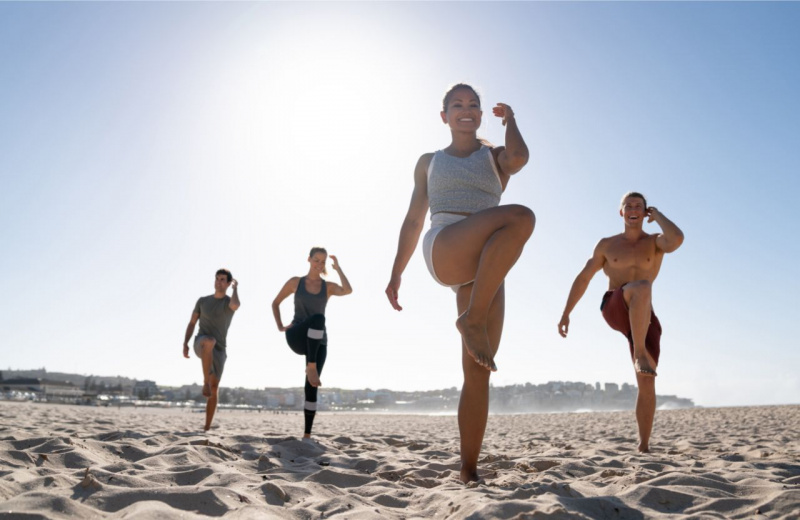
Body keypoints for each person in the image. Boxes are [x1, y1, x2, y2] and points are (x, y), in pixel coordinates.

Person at [386, 83, 533, 483]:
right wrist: (397, 271)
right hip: (446, 246)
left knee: (478, 371)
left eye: (473, 105)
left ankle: (468, 469)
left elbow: (519, 156)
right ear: (445, 116)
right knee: (521, 217)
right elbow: (415, 219)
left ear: (482, 115)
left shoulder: (494, 158)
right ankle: (471, 321)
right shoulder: (429, 162)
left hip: (485, 266)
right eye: (457, 105)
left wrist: (513, 120)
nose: (465, 110)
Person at [558, 192, 684, 452]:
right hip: (614, 305)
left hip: (642, 314)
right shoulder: (607, 245)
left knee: (646, 380)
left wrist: (657, 215)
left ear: (645, 212)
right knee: (640, 286)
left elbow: (677, 239)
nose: (633, 209)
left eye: (639, 206)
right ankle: (639, 353)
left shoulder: (655, 243)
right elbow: (584, 277)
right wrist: (566, 312)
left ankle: (644, 445)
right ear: (621, 213)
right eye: (629, 206)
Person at [272, 248, 352, 439]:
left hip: (318, 343)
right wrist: (280, 325)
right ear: (309, 259)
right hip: (297, 335)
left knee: (311, 387)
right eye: (316, 260)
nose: (319, 264)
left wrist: (338, 269)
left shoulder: (328, 287)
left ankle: (307, 434)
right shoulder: (295, 282)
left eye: (323, 262)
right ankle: (311, 366)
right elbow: (275, 303)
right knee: (317, 318)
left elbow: (348, 290)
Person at [183, 269, 240, 431]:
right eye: (217, 279)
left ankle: (207, 427)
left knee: (215, 389)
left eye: (223, 280)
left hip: (220, 350)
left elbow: (235, 305)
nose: (218, 282)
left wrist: (235, 289)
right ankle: (205, 381)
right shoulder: (202, 301)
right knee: (209, 341)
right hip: (200, 343)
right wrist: (185, 343)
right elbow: (192, 323)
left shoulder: (229, 302)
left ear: (228, 283)